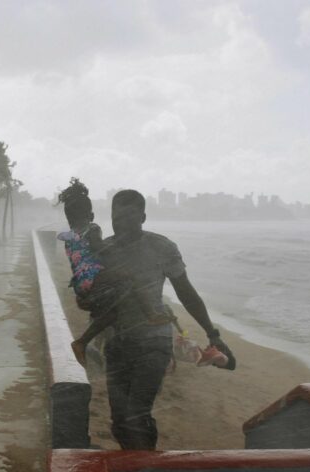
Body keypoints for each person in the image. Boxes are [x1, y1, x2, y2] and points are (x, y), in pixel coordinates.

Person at [100, 189, 235, 450]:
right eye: (117, 217)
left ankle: (145, 470)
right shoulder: (105, 251)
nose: (122, 223)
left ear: (143, 217)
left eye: (129, 217)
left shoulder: (161, 247)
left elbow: (186, 292)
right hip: (117, 342)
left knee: (137, 413)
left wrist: (212, 333)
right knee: (118, 420)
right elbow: (96, 301)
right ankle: (135, 464)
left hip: (154, 342)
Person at [56, 179, 171, 365]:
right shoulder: (92, 229)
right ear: (91, 214)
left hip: (80, 283)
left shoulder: (68, 236)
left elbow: (81, 253)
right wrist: (115, 249)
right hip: (94, 277)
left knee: (112, 312)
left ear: (68, 218)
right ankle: (151, 314)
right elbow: (99, 249)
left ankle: (82, 342)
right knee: (132, 277)